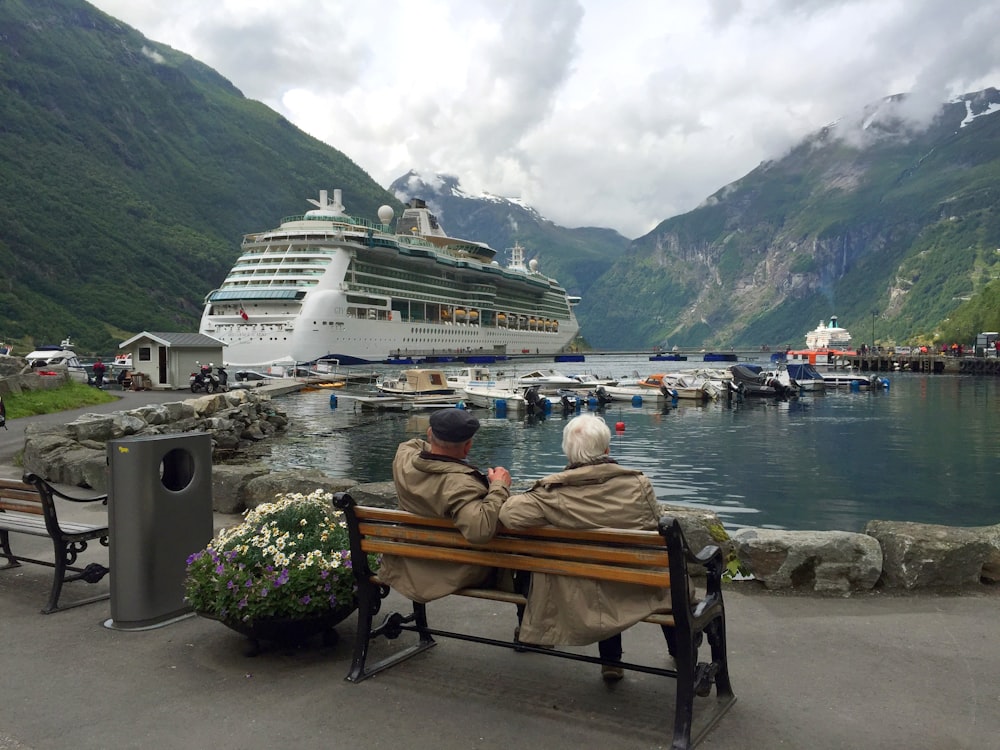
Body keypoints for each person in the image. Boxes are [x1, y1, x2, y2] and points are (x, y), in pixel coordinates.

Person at [499, 414, 676, 683]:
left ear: (568, 453)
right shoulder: (639, 485)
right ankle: (676, 651)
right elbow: (653, 524)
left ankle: (611, 660)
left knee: (596, 576)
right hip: (636, 586)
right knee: (641, 576)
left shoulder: (551, 493)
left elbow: (510, 516)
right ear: (606, 449)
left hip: (575, 591)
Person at [378, 407, 512, 602]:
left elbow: (416, 444)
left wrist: (439, 446)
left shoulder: (403, 458)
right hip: (448, 571)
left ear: (430, 433)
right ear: (468, 446)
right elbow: (479, 531)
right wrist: (499, 486)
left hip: (407, 561)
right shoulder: (461, 485)